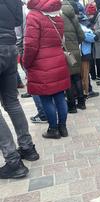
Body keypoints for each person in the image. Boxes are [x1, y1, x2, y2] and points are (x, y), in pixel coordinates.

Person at [0, 0, 39, 179]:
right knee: (12, 102)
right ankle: (27, 147)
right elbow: (17, 20)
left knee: (11, 103)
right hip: (9, 45)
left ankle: (13, 161)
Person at [23, 0, 71, 139]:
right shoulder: (57, 15)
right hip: (58, 59)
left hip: (40, 63)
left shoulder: (34, 15)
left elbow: (30, 44)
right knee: (60, 96)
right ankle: (63, 127)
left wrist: (26, 63)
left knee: (45, 98)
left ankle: (53, 129)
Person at [61, 0, 86, 113]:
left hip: (65, 52)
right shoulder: (73, 16)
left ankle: (72, 106)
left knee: (69, 79)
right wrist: (76, 44)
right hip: (75, 51)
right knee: (77, 77)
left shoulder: (57, 16)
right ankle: (82, 103)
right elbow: (82, 35)